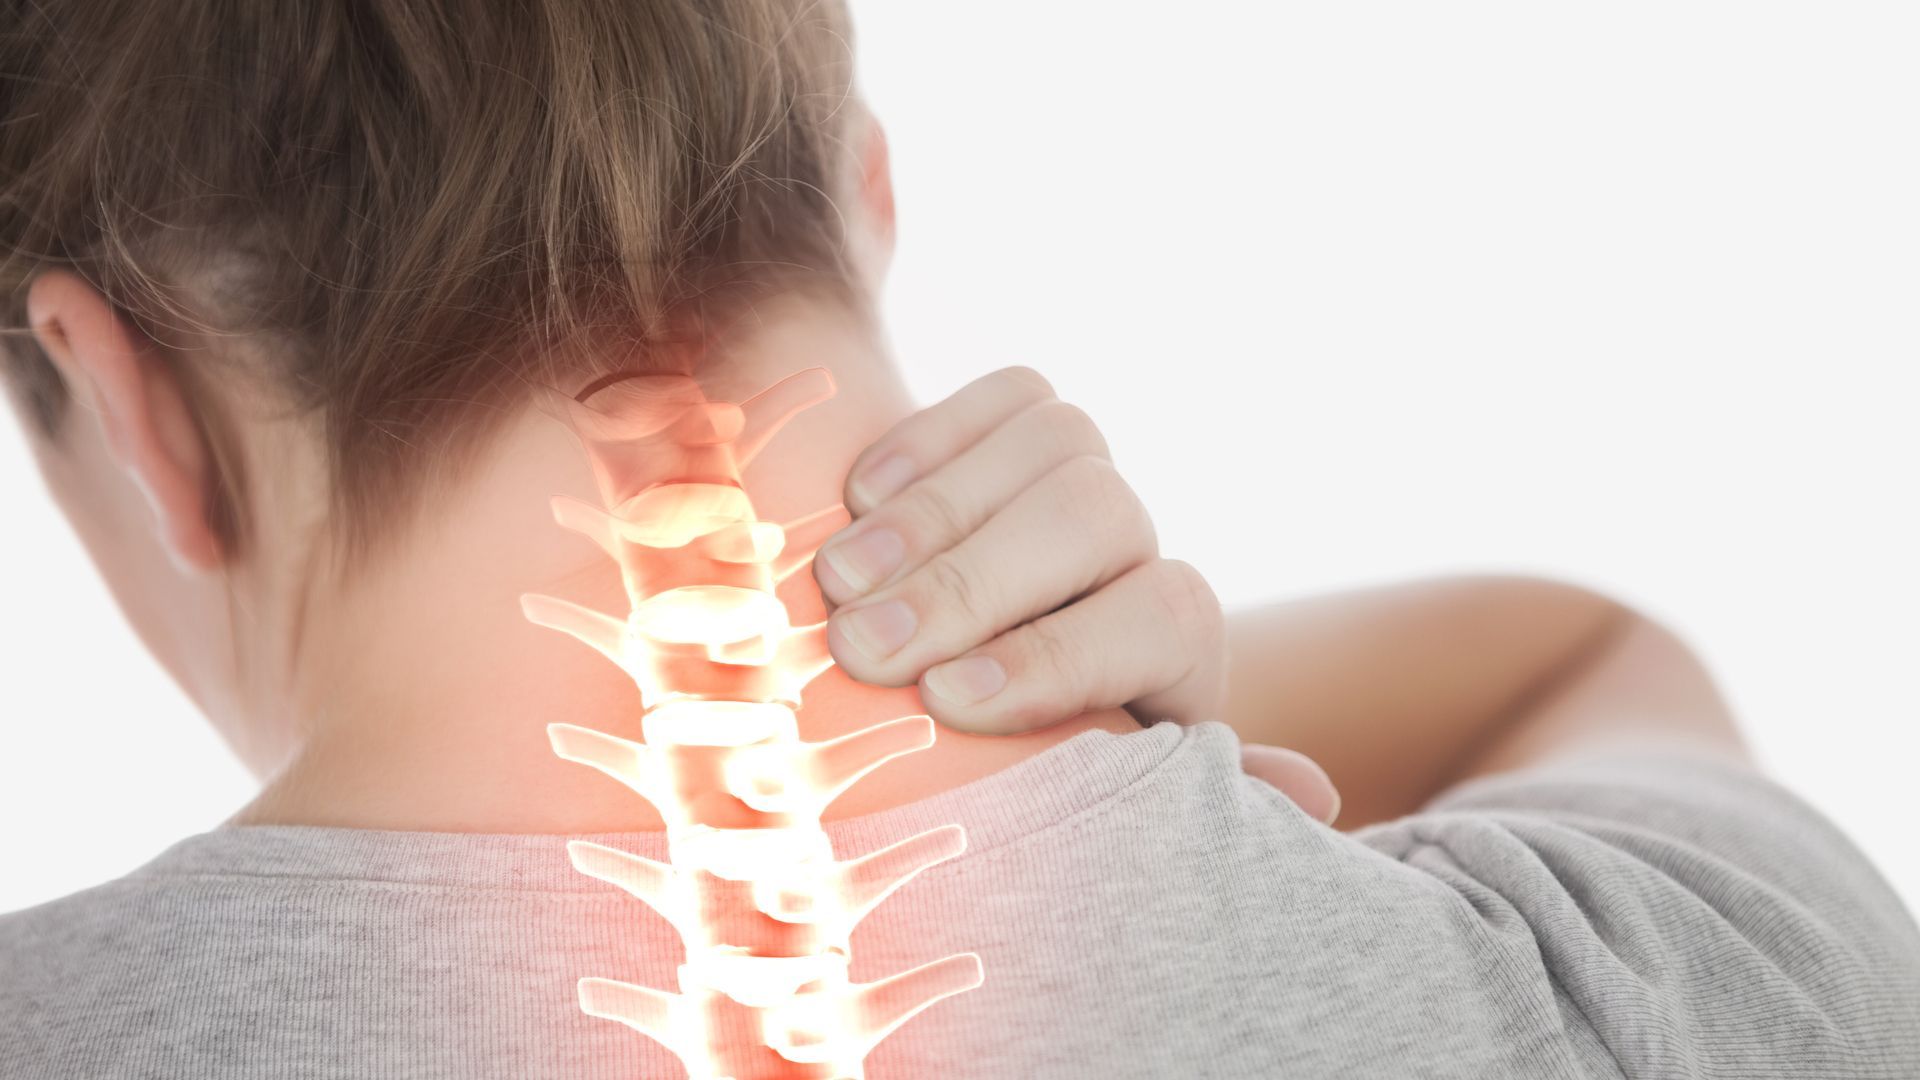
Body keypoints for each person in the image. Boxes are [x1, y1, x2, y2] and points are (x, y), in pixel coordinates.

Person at [2, 2, 1915, 1078]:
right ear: (863, 190)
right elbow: (1572, 658)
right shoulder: (1672, 990)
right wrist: (1113, 730)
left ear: (120, 388)